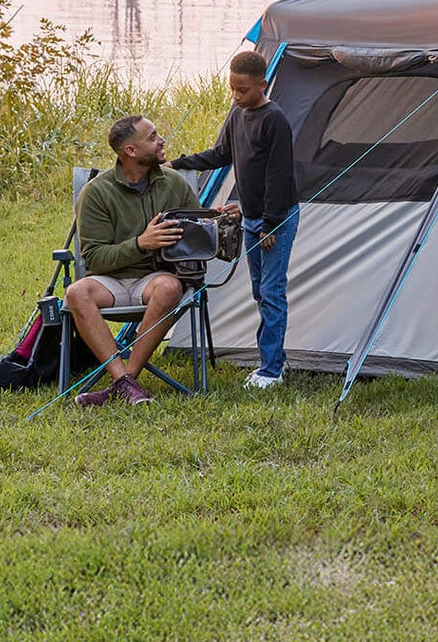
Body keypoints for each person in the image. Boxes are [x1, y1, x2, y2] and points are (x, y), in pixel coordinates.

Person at [171, 48, 298, 391]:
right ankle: (272, 359)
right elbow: (221, 155)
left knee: (271, 291)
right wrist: (179, 163)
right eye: (232, 89)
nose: (236, 96)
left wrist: (270, 224)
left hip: (276, 220)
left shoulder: (274, 120)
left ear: (262, 85)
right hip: (252, 217)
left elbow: (279, 176)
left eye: (242, 90)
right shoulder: (237, 115)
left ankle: (271, 371)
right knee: (259, 291)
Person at [68, 114, 201, 407]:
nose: (161, 141)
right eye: (152, 137)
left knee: (169, 287)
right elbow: (95, 259)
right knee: (76, 292)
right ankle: (124, 381)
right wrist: (141, 243)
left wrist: (217, 219)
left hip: (153, 278)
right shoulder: (97, 192)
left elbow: (197, 231)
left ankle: (126, 381)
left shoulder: (174, 183)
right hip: (110, 280)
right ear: (130, 150)